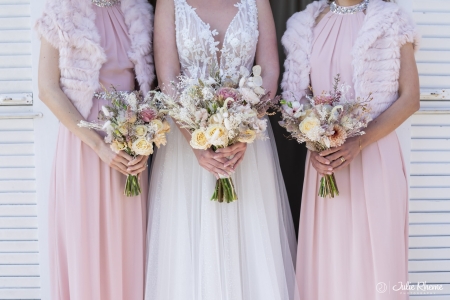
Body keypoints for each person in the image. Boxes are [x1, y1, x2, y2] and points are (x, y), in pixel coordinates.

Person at [145, 0, 298, 299]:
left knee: (250, 234)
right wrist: (196, 141)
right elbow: (168, 78)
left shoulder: (257, 2)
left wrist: (245, 129)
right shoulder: (170, 3)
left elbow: (268, 71)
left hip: (247, 143)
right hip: (184, 141)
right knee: (188, 241)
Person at [281, 0, 420, 299]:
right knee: (329, 259)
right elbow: (294, 99)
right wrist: (314, 141)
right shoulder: (305, 24)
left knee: (377, 259)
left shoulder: (392, 19)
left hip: (375, 155)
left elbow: (411, 99)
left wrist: (360, 140)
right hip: (324, 161)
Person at [35, 0, 154, 298]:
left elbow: (148, 87)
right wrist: (98, 146)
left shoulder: (139, 11)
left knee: (127, 242)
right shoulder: (60, 11)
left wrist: (146, 137)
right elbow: (47, 88)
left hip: (131, 140)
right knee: (83, 240)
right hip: (84, 144)